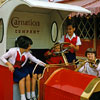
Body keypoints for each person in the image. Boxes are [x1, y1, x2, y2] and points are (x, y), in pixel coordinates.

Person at [0, 36, 46, 100]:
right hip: (13, 68)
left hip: (21, 68)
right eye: (29, 45)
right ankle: (23, 97)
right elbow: (2, 57)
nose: (30, 47)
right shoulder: (12, 51)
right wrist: (9, 64)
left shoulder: (27, 53)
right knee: (22, 78)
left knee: (27, 76)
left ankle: (29, 95)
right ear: (25, 46)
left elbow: (35, 60)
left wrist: (46, 65)